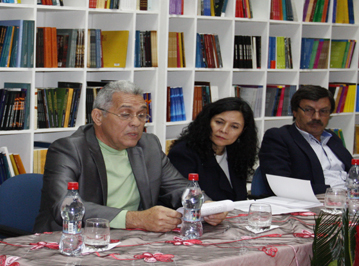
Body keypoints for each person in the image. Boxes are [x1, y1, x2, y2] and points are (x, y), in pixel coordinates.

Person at [34, 81, 228, 233]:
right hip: (71, 240)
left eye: (142, 115)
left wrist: (206, 205)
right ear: (98, 117)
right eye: (126, 114)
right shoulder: (68, 149)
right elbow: (62, 206)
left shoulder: (148, 145)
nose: (136, 123)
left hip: (130, 241)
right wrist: (136, 219)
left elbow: (178, 187)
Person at [258, 85, 359, 195]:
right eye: (309, 110)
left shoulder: (332, 138)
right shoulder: (280, 137)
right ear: (295, 111)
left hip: (351, 198)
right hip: (317, 201)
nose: (316, 117)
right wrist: (337, 191)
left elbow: (357, 173)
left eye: (323, 111)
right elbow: (281, 185)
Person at [168, 97, 257, 201]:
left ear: (243, 131)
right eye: (219, 122)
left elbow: (239, 198)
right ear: (207, 121)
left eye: (234, 127)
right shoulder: (183, 153)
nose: (224, 130)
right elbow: (187, 198)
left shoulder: (237, 153)